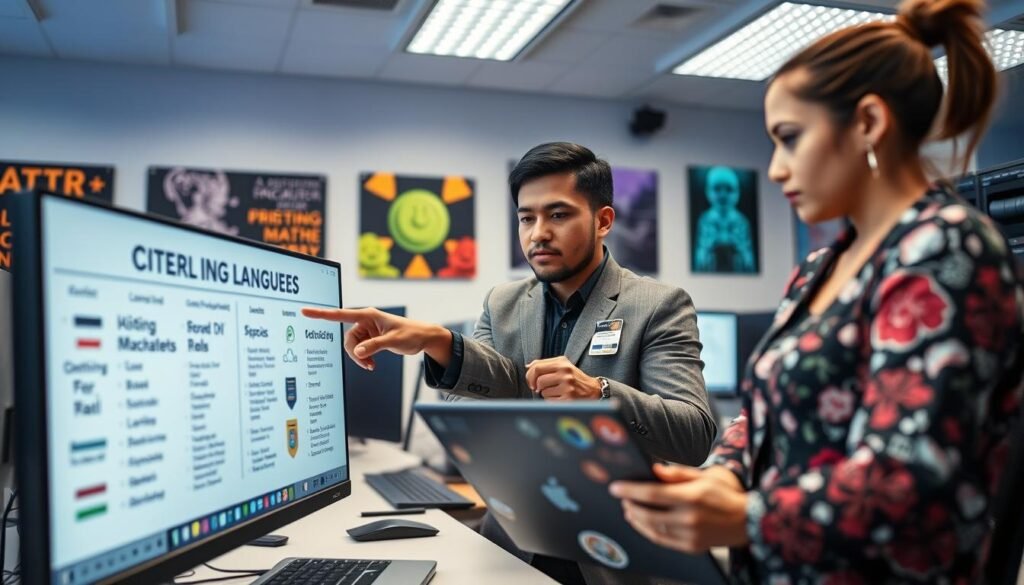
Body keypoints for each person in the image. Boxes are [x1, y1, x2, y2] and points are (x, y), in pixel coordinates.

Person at [609, 0, 1024, 582]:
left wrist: (747, 518)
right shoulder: (819, 270)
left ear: (868, 124)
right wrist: (721, 478)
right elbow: (759, 418)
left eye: (789, 138)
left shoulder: (947, 250)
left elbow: (911, 480)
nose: (776, 169)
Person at [304, 142, 717, 585]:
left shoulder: (658, 305)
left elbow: (694, 435)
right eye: (526, 217)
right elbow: (468, 414)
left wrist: (598, 395)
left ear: (603, 221)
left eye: (558, 215)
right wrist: (440, 342)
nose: (538, 233)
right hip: (512, 545)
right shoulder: (502, 302)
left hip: (617, 557)